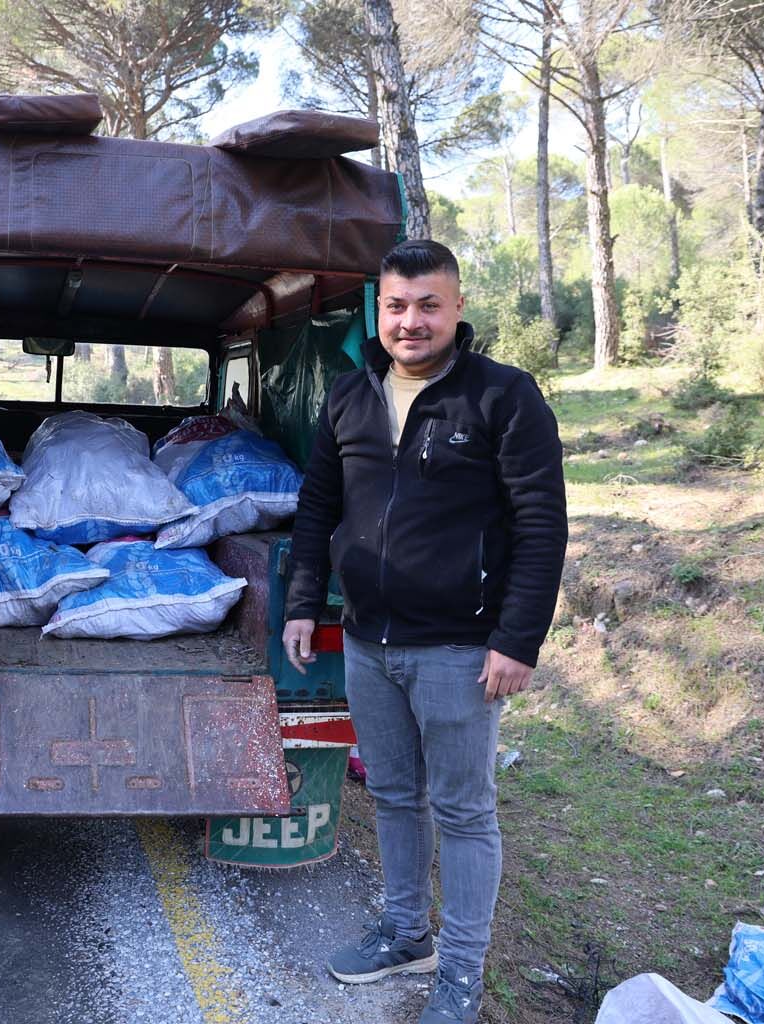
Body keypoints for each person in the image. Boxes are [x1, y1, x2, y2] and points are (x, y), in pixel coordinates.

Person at [282, 240, 567, 1024]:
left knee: (466, 810)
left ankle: (462, 974)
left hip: (460, 648)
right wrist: (306, 600)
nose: (410, 322)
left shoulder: (503, 398)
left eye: (428, 305)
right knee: (396, 797)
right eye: (396, 306)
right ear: (379, 310)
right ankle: (406, 934)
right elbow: (317, 508)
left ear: (457, 306)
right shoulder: (349, 396)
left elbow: (542, 525)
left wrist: (518, 640)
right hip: (369, 641)